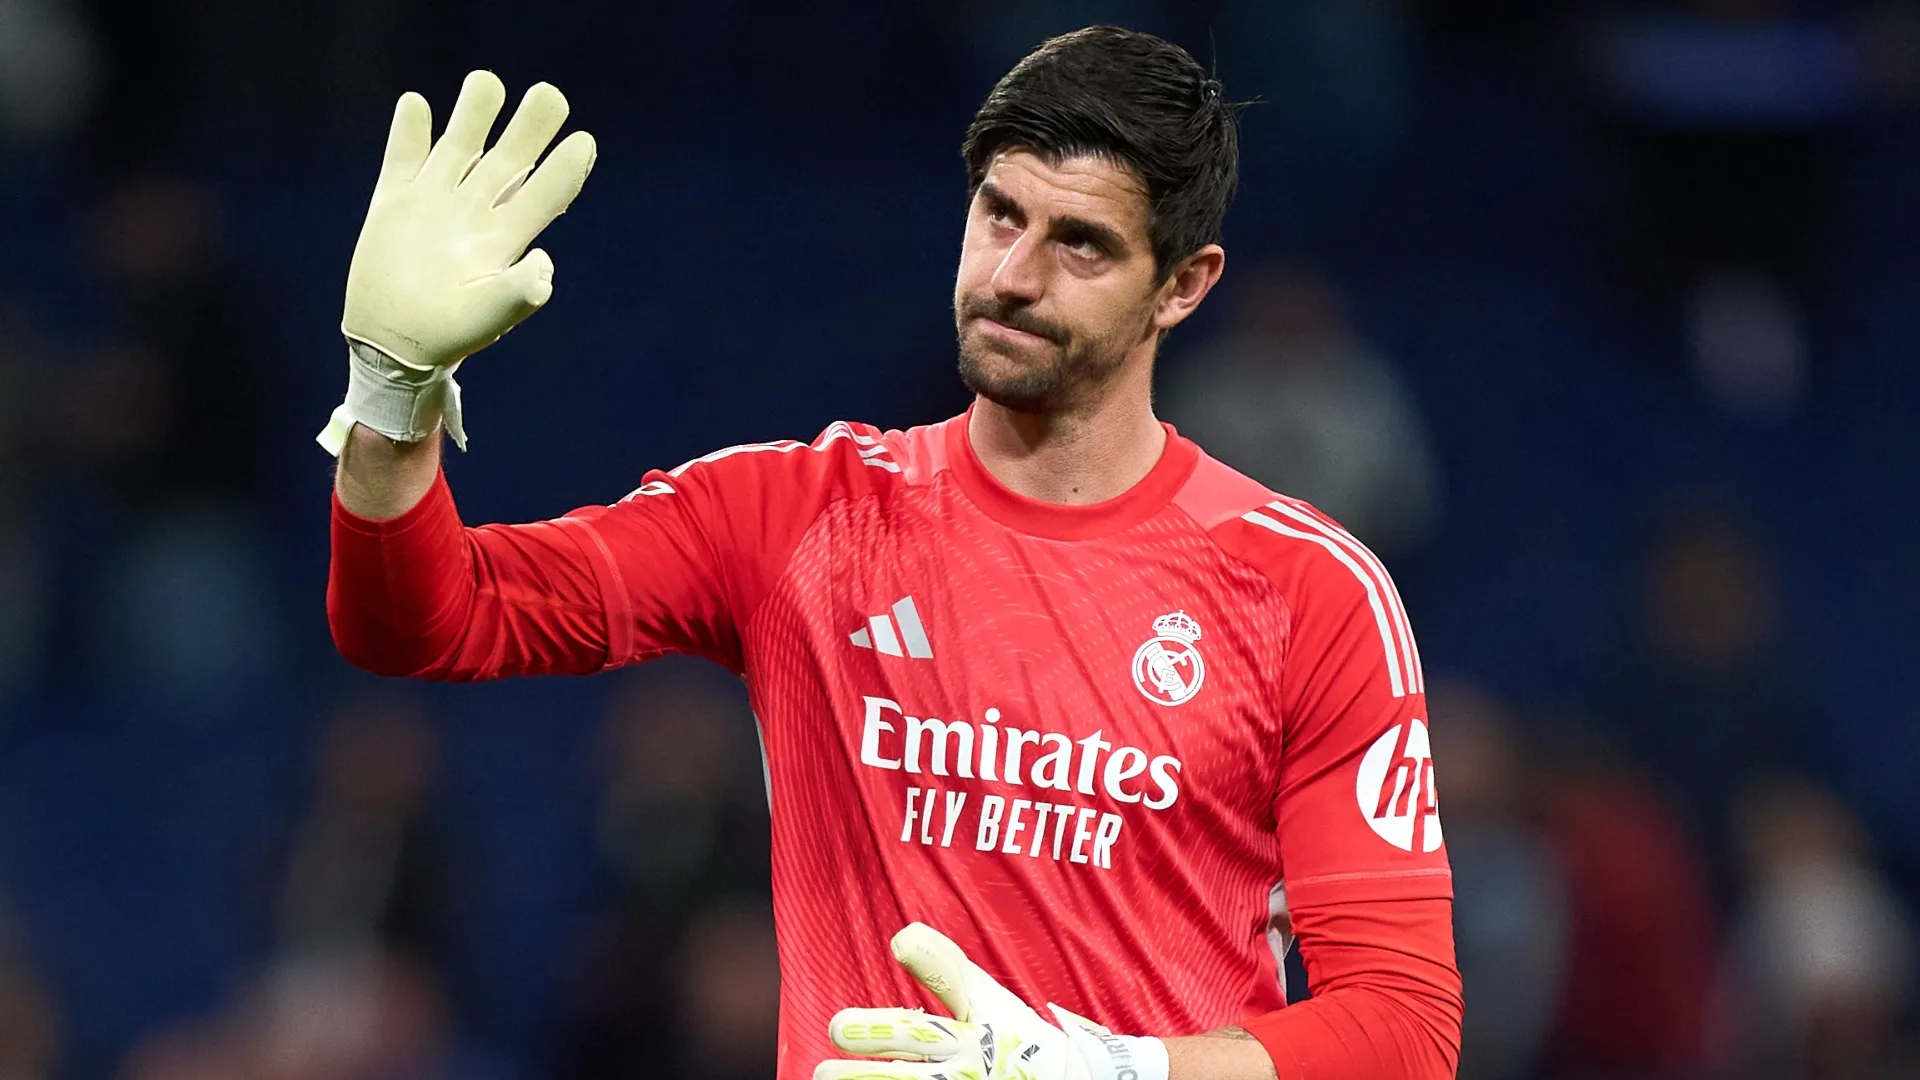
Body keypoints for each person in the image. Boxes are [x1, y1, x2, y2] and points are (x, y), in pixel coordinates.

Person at [321, 27, 1461, 1080]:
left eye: (1081, 245)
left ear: (1184, 286)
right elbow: (426, 620)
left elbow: (1405, 1032)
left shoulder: (1306, 592)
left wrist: (1113, 1072)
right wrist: (391, 399)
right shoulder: (794, 518)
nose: (1015, 274)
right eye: (999, 214)